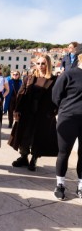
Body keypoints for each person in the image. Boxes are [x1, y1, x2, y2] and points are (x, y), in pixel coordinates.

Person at [9, 54, 59, 171]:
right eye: (38, 63)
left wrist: (53, 113)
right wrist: (17, 110)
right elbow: (20, 95)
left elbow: (58, 98)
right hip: (27, 112)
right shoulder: (29, 78)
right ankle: (24, 157)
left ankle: (34, 158)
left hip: (43, 114)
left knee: (38, 136)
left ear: (48, 64)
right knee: (24, 135)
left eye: (43, 63)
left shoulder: (54, 80)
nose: (40, 66)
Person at [52, 52, 82, 200]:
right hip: (68, 119)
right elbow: (56, 95)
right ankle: (60, 184)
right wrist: (65, 110)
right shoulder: (69, 75)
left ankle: (81, 185)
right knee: (64, 153)